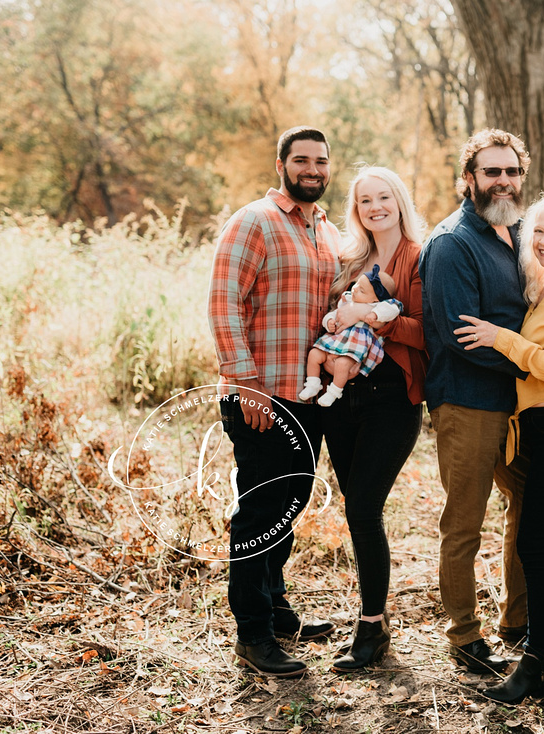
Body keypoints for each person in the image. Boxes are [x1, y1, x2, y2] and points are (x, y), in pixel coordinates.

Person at [454, 191, 544, 704]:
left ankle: (534, 664)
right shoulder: (543, 290)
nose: (543, 240)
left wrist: (501, 338)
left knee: (534, 545)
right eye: (537, 231)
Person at [207, 125, 340, 677]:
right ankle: (253, 633)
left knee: (289, 507)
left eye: (322, 161)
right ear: (282, 164)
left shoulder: (327, 231)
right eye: (302, 160)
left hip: (308, 398)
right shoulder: (254, 221)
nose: (313, 169)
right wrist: (247, 385)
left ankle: (276, 605)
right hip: (262, 396)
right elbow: (223, 303)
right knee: (260, 512)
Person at [419, 128, 532, 674]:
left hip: (519, 402)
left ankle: (518, 619)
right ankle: (464, 635)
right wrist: (534, 357)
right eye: (492, 172)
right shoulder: (452, 243)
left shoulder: (516, 234)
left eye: (512, 172)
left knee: (528, 505)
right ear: (469, 179)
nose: (503, 181)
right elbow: (462, 336)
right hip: (467, 402)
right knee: (465, 521)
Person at [319, 166, 429, 674]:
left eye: (384, 196)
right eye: (365, 200)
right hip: (341, 397)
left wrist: (368, 315)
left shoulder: (420, 255)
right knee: (356, 510)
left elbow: (428, 333)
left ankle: (371, 626)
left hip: (391, 397)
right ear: (356, 209)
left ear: (399, 200)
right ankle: (372, 620)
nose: (375, 206)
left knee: (364, 508)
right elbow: (329, 317)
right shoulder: (348, 259)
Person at [298, 265, 402, 406]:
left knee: (342, 364)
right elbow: (335, 313)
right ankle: (312, 383)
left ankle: (334, 392)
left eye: (361, 290)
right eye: (357, 284)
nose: (354, 289)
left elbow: (392, 310)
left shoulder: (378, 307)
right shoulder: (347, 300)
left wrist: (374, 314)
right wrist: (329, 321)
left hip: (356, 346)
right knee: (314, 354)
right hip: (336, 341)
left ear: (375, 300)